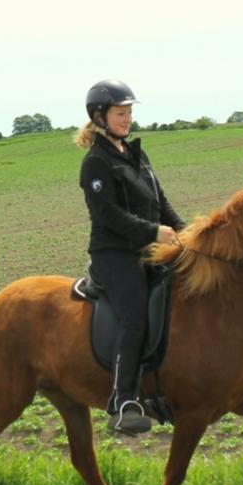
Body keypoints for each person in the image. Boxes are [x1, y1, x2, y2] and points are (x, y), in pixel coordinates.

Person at [76, 79, 185, 435]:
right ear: (99, 116)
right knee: (134, 313)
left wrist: (188, 233)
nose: (127, 119)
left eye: (129, 112)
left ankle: (161, 385)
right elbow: (108, 215)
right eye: (120, 113)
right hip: (114, 255)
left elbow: (161, 203)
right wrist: (153, 232)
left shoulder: (137, 155)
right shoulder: (95, 164)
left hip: (150, 249)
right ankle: (123, 399)